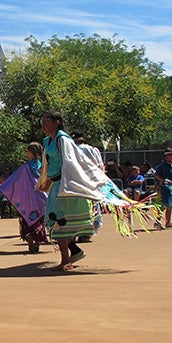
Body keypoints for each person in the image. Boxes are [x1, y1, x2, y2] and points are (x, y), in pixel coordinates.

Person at [38, 112, 102, 271]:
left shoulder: (63, 140)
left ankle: (66, 260)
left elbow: (68, 164)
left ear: (57, 122)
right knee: (56, 221)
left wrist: (49, 181)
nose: (43, 124)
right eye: (42, 121)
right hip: (56, 185)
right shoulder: (48, 141)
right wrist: (45, 181)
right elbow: (49, 163)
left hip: (65, 185)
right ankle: (73, 252)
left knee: (60, 222)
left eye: (46, 121)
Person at [0, 143, 48, 253]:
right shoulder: (43, 166)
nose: (27, 153)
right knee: (39, 219)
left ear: (33, 152)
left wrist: (4, 186)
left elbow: (14, 180)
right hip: (41, 196)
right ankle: (37, 241)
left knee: (27, 218)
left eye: (28, 151)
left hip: (27, 198)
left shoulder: (25, 167)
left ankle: (30, 238)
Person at [153, 148, 172, 228]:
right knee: (162, 206)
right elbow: (156, 175)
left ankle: (168, 222)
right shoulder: (162, 166)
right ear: (167, 156)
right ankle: (157, 222)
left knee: (169, 206)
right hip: (163, 189)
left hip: (171, 188)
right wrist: (163, 180)